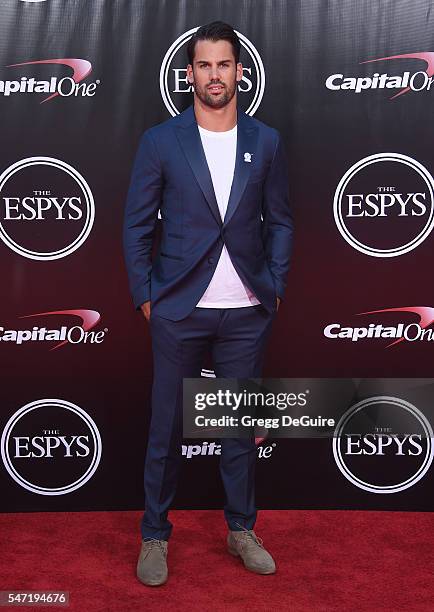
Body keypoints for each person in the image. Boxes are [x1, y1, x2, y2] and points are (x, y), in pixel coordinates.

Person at [123, 20, 293, 587]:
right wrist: (147, 298)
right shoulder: (160, 141)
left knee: (238, 430)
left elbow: (282, 221)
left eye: (224, 64)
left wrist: (274, 284)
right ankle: (154, 534)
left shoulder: (265, 141)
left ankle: (242, 529)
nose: (214, 75)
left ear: (239, 73)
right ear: (189, 72)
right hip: (178, 309)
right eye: (205, 65)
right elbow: (136, 226)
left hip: (246, 311)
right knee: (166, 428)